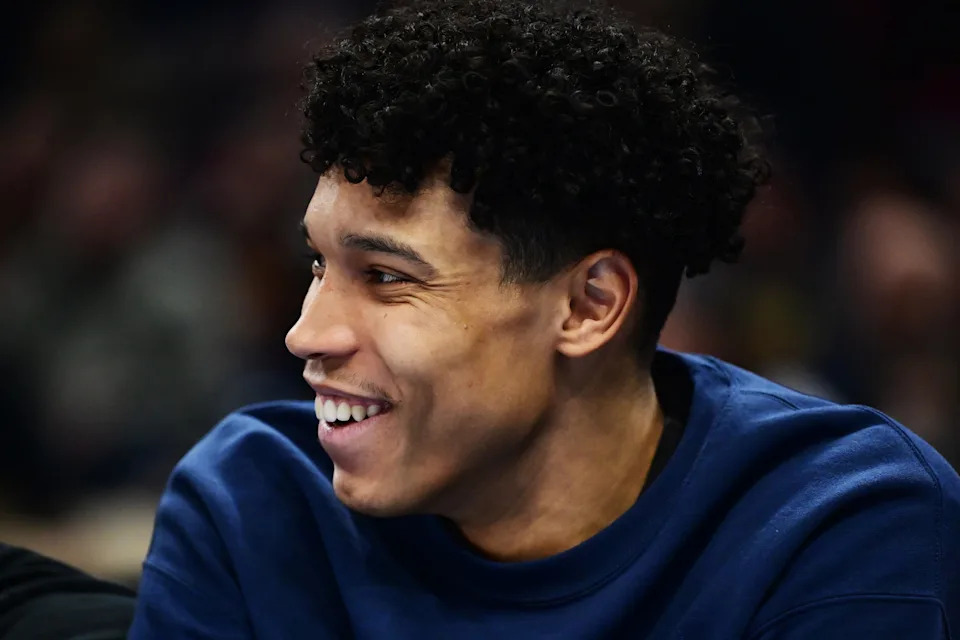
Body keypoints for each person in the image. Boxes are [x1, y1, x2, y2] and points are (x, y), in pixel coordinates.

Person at [130, 0, 960, 637]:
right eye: (318, 263)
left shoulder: (841, 522)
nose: (306, 334)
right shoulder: (253, 505)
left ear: (590, 304)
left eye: (384, 277)